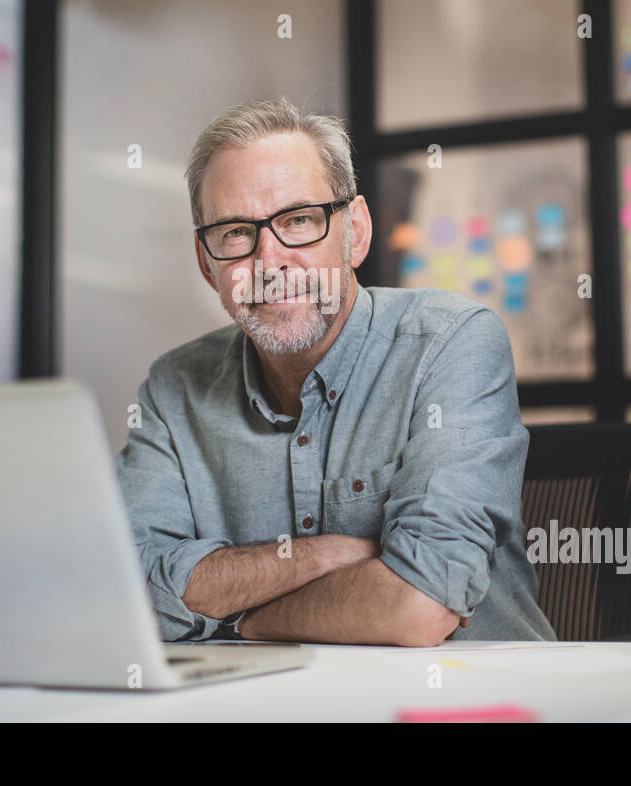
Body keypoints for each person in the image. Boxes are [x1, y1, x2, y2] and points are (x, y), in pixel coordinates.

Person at [115, 95, 556, 646]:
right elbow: (121, 591)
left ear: (357, 233)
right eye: (234, 232)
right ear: (207, 265)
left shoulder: (450, 343)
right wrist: (324, 555)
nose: (269, 261)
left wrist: (240, 619)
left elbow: (419, 605)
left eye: (299, 220)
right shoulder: (173, 386)